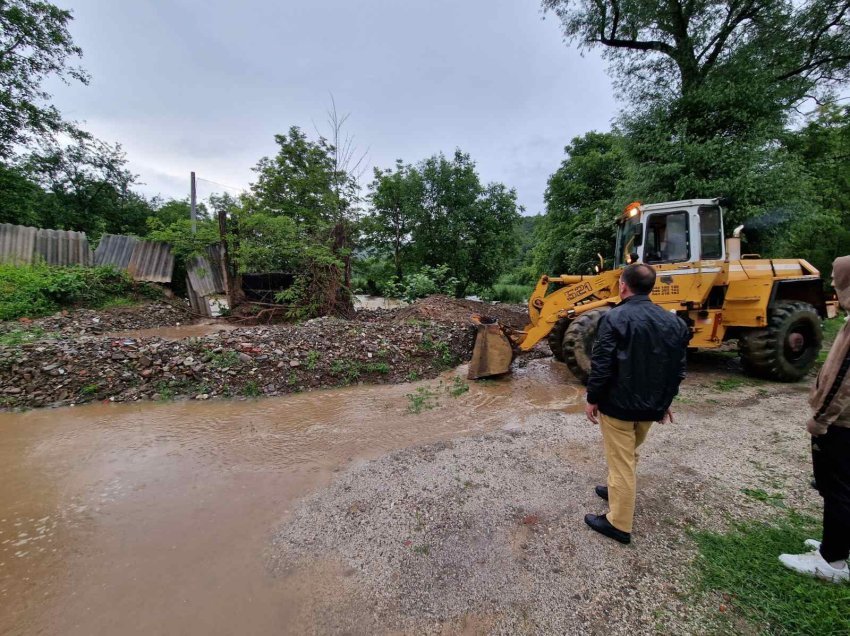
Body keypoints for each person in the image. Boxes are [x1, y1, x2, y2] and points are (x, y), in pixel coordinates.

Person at [583, 263, 690, 544]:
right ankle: (616, 490)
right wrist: (665, 401)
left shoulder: (614, 318)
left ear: (623, 286)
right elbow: (677, 369)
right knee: (628, 454)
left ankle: (618, 523)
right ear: (651, 287)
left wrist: (592, 398)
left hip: (618, 407)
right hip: (651, 407)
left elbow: (602, 364)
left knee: (621, 462)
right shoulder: (674, 322)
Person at [779, 256, 850, 583]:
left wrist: (820, 419)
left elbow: (841, 380)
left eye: (838, 280)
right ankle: (836, 546)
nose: (833, 285)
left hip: (840, 424)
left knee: (836, 487)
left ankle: (831, 561)